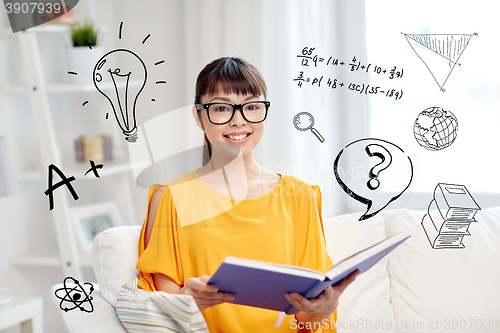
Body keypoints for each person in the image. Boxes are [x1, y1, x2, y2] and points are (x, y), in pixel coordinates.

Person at [136, 57, 358, 332]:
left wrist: (326, 306)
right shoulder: (173, 198)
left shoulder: (300, 196)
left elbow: (308, 319)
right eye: (221, 108)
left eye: (251, 107)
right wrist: (185, 301)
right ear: (198, 116)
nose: (238, 120)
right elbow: (164, 314)